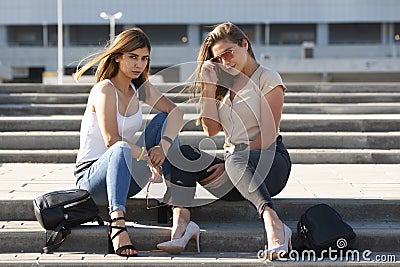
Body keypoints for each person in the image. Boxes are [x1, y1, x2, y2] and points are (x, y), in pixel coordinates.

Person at [156, 22, 292, 260]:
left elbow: (268, 138)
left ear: (244, 44)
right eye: (218, 59)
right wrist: (209, 88)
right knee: (183, 153)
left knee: (235, 159)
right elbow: (211, 130)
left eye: (228, 52)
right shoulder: (224, 85)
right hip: (236, 170)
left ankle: (274, 222)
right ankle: (183, 224)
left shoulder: (267, 78)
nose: (225, 61)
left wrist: (234, 161)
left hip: (271, 164)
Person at [73, 28, 183, 257]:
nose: (139, 64)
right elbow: (111, 140)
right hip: (92, 180)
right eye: (133, 57)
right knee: (121, 147)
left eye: (144, 59)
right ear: (117, 56)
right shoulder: (104, 90)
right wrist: (146, 155)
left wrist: (161, 148)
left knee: (163, 121)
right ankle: (118, 225)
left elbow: (176, 112)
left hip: (125, 177)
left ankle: (175, 201)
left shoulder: (139, 89)